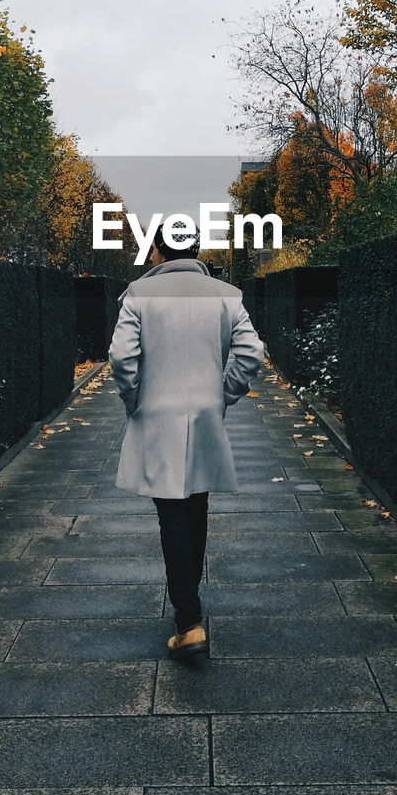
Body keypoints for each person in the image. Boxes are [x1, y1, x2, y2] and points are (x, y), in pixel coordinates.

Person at [108, 221, 264, 659]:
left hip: (156, 418)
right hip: (206, 416)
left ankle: (188, 620)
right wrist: (224, 393)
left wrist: (134, 397)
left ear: (158, 247)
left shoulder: (140, 294)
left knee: (171, 513)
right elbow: (251, 352)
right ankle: (189, 605)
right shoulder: (226, 295)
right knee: (196, 507)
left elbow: (122, 358)